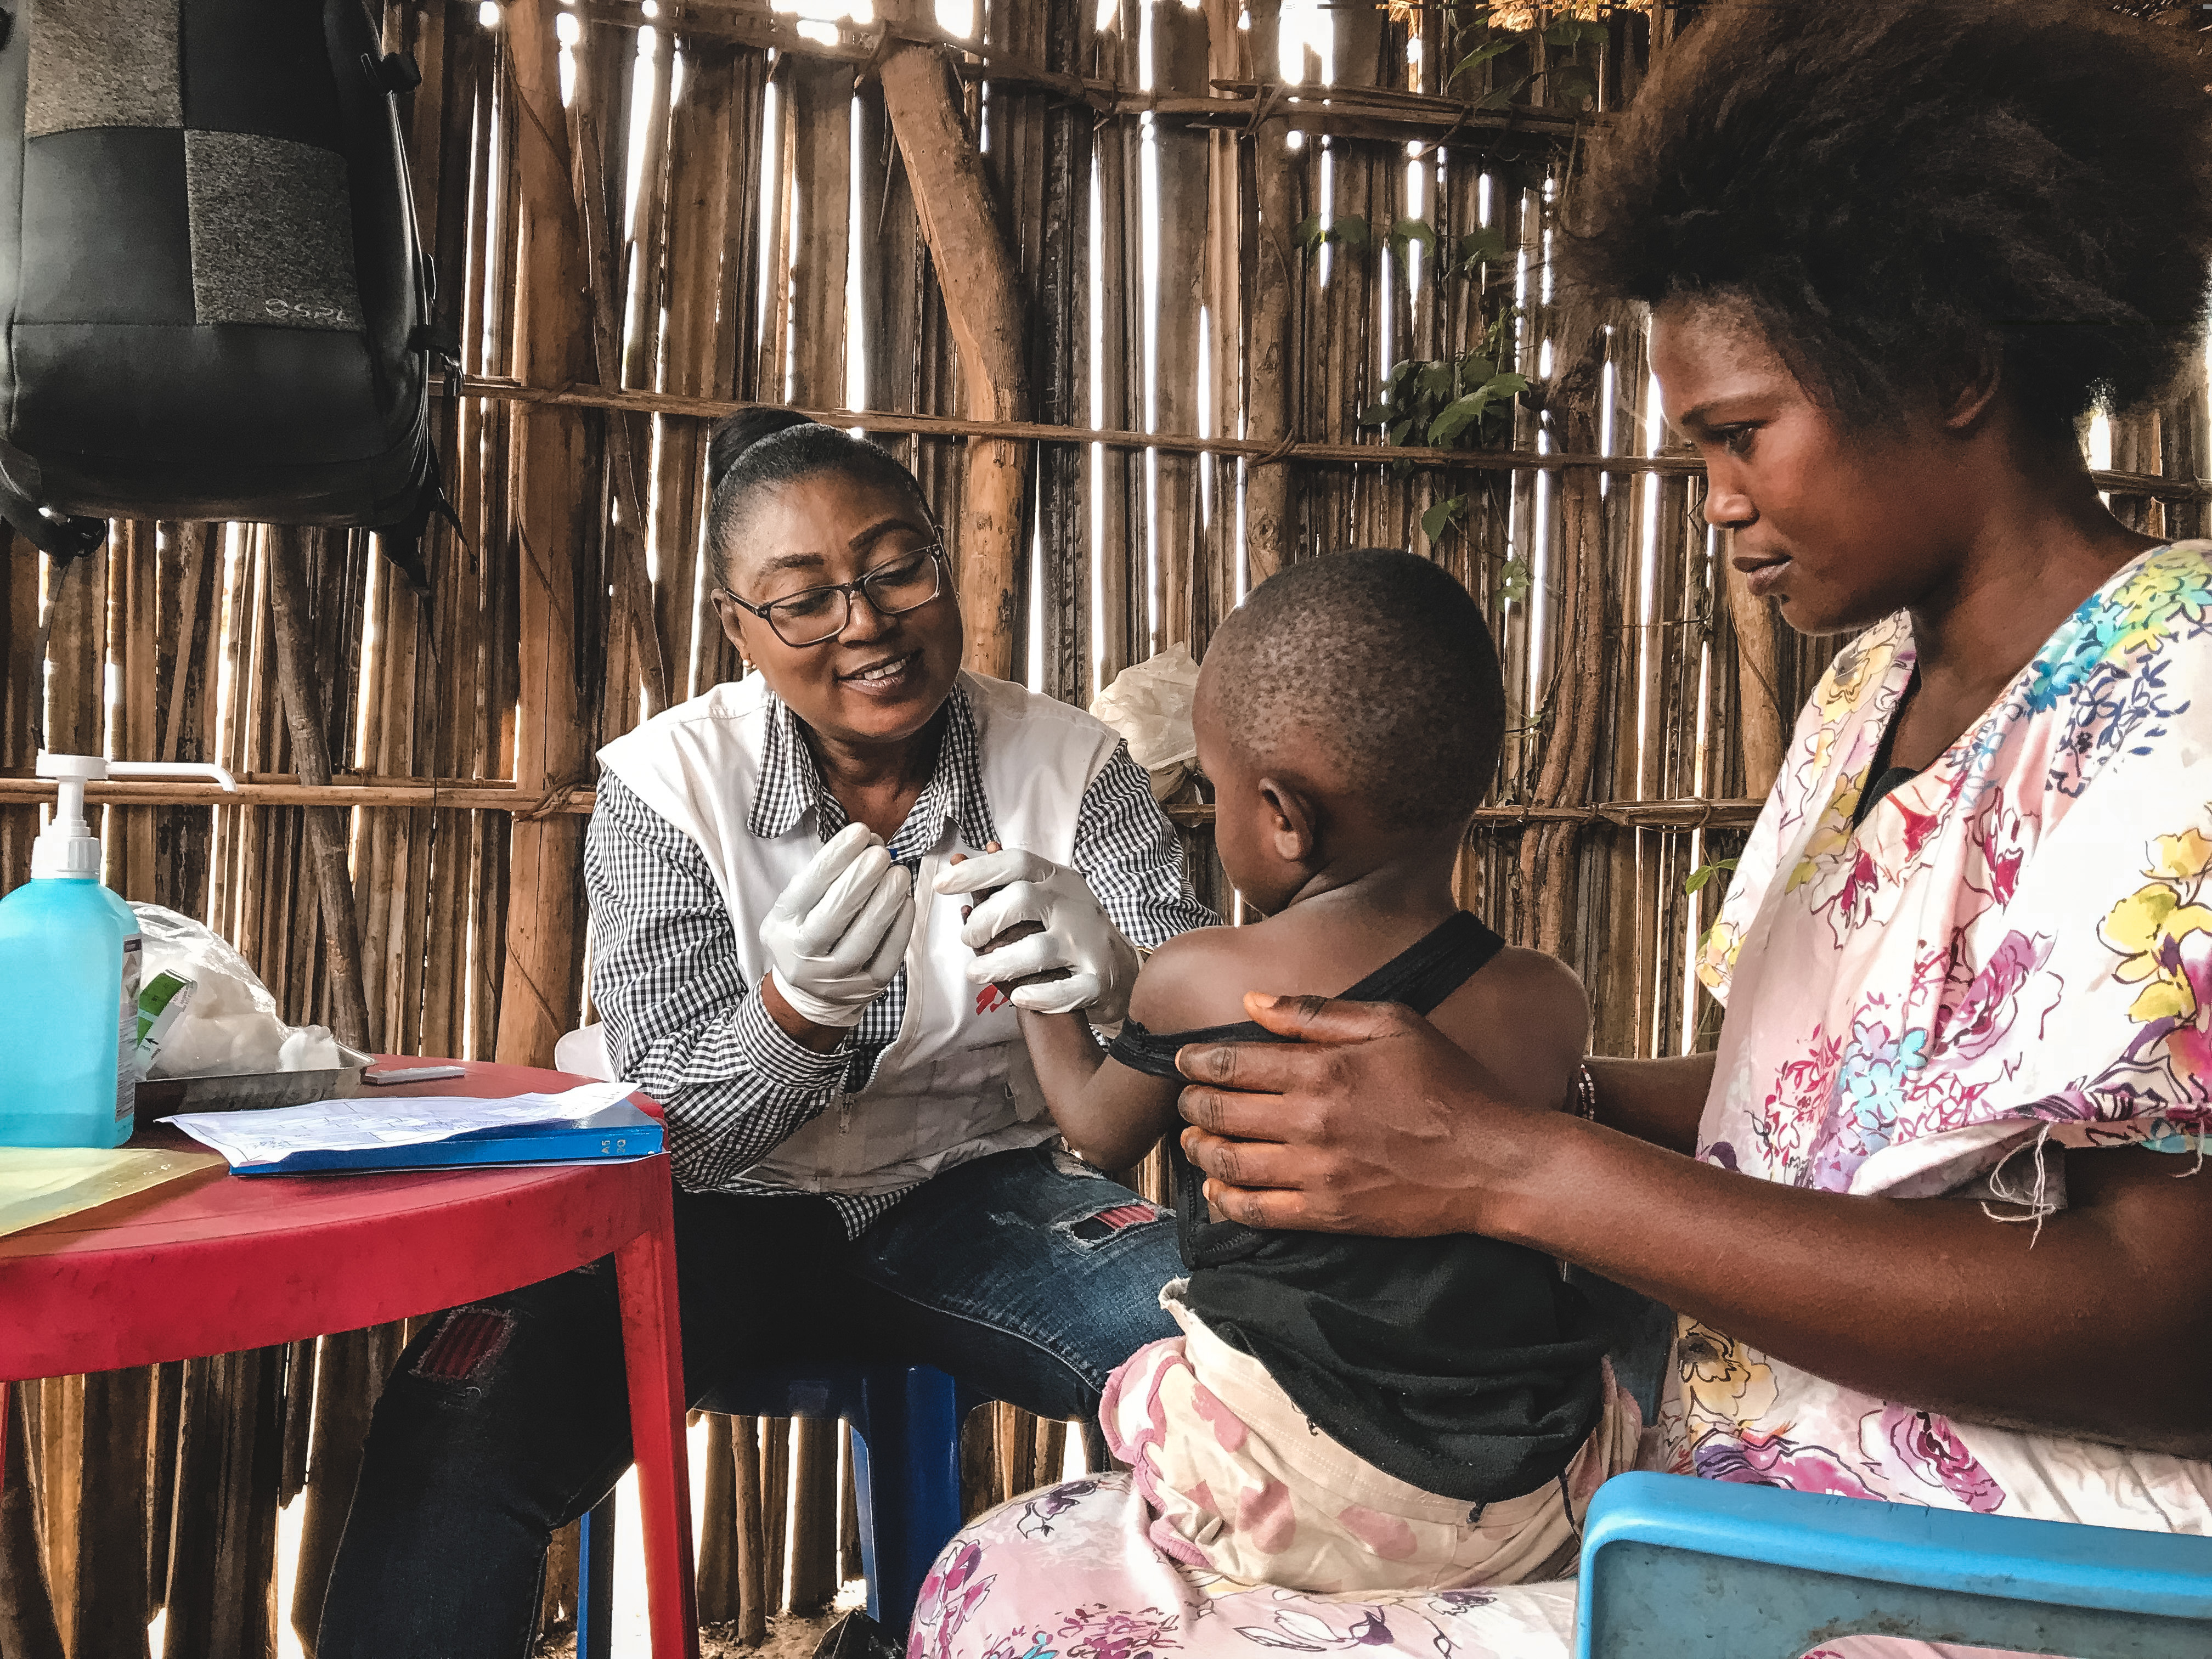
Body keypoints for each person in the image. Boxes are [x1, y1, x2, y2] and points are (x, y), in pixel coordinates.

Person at [907, 5, 2212, 1658]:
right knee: (1013, 1576)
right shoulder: (1874, 689)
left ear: (1956, 367)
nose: (1719, 499)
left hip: (1992, 1575)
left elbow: (2172, 1323)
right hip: (1733, 1506)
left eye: (1742, 435)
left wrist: (1519, 1161)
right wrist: (1473, 1098)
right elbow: (1806, 1119)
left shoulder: (2181, 705)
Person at [319, 411, 1214, 1657]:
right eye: (803, 601)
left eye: (897, 567)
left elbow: (1202, 1007)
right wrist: (790, 1022)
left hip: (977, 1186)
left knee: (1230, 1353)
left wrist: (1126, 976)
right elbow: (676, 1129)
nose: (865, 621)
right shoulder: (661, 788)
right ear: (740, 632)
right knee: (460, 1414)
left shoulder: (1072, 766)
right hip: (706, 1209)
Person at [1007, 550, 1637, 1595]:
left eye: (1214, 794)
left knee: (1152, 1376)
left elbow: (1096, 1131)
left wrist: (1030, 982)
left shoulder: (1203, 976)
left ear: (1287, 818)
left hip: (1290, 1497)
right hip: (1529, 1498)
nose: (1211, 818)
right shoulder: (1546, 1002)